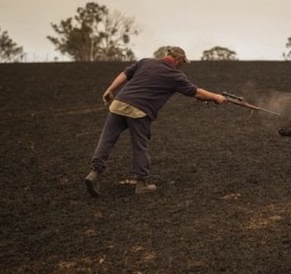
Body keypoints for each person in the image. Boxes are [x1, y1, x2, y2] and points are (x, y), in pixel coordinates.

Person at [84, 46, 226, 197]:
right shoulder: (175, 75)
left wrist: (110, 90)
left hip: (118, 104)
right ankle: (141, 183)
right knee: (140, 146)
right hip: (139, 111)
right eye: (182, 62)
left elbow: (125, 74)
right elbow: (195, 92)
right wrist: (217, 97)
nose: (181, 65)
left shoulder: (145, 62)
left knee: (106, 140)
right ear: (178, 59)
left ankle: (94, 173)